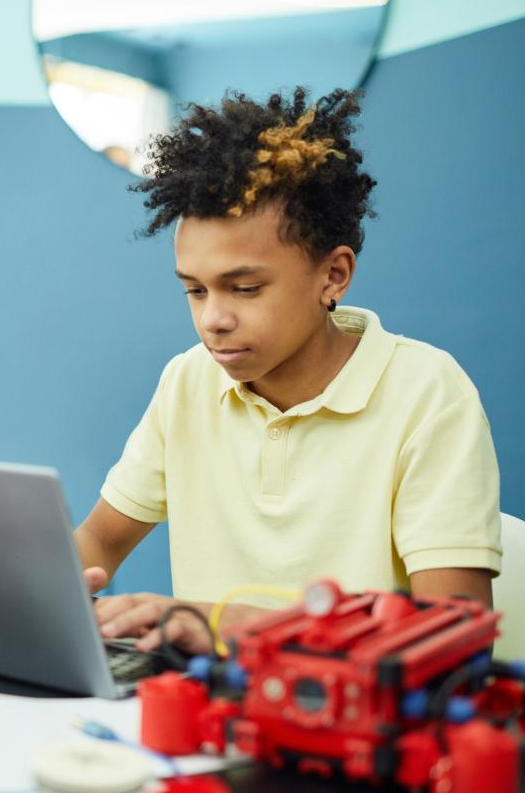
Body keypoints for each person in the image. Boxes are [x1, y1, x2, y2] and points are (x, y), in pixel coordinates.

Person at [75, 88, 501, 654]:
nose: (214, 319)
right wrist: (51, 592)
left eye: (245, 288)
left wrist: (221, 624)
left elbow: (454, 637)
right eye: (194, 291)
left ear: (334, 275)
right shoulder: (189, 380)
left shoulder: (427, 392)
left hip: (361, 721)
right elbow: (100, 538)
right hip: (212, 709)